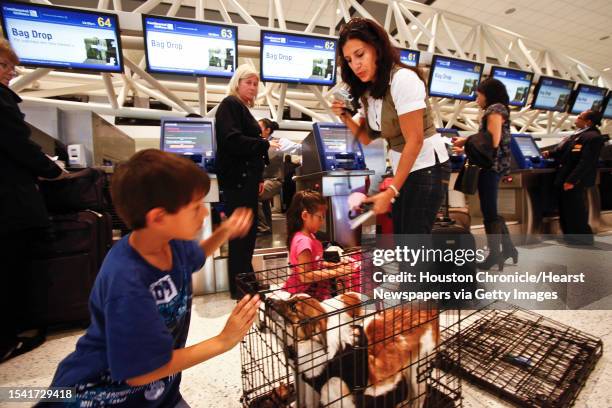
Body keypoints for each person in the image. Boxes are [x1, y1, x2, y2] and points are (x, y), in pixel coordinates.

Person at [41, 149, 260, 407]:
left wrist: (223, 232)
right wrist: (222, 341)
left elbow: (194, 257)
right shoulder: (126, 281)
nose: (203, 214)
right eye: (194, 208)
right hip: (99, 395)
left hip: (158, 390)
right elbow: (139, 372)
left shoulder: (170, 242)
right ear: (158, 218)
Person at [332, 18, 450, 235]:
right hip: (403, 168)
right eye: (349, 60)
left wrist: (392, 189)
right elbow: (368, 139)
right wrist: (345, 117)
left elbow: (415, 140)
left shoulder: (403, 79)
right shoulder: (371, 90)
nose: (355, 65)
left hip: (426, 166)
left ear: (377, 48)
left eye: (360, 54)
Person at [0, 39, 64, 362]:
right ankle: (8, 338)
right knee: (11, 268)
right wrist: (53, 170)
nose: (10, 73)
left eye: (11, 66)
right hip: (10, 204)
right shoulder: (1, 103)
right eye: (3, 65)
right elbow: (19, 146)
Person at [215, 65, 279, 299]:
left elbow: (245, 148)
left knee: (248, 235)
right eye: (248, 83)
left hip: (247, 182)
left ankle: (247, 281)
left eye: (255, 84)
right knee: (242, 236)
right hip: (238, 183)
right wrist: (264, 144)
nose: (253, 88)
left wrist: (259, 177)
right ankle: (240, 288)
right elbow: (232, 140)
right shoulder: (230, 105)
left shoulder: (240, 108)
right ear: (237, 83)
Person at [453, 78, 517, 270]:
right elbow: (489, 137)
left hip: (490, 167)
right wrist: (466, 142)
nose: (477, 98)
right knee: (492, 211)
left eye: (479, 94)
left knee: (489, 213)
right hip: (496, 166)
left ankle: (495, 255)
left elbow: (492, 140)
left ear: (487, 94)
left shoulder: (494, 110)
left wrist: (468, 143)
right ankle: (509, 250)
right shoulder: (500, 109)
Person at [543, 109, 605, 245]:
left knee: (575, 210)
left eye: (580, 117)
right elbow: (565, 151)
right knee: (566, 209)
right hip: (564, 177)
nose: (576, 118)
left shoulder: (593, 137)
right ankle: (570, 237)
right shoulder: (577, 135)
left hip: (575, 180)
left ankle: (584, 239)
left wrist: (572, 180)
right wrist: (550, 153)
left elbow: (586, 162)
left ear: (588, 122)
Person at [283, 190, 347, 300]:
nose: (322, 221)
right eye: (320, 217)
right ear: (305, 215)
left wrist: (334, 265)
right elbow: (304, 276)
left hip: (314, 293)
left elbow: (315, 263)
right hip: (303, 297)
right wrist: (337, 272)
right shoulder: (304, 241)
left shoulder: (310, 236)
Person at [257, 118, 300, 234]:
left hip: (275, 180)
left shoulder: (280, 142)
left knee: (254, 193)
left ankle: (262, 228)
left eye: (259, 127)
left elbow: (300, 148)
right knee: (263, 200)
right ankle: (267, 228)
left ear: (267, 130)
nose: (255, 129)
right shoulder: (257, 142)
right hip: (262, 180)